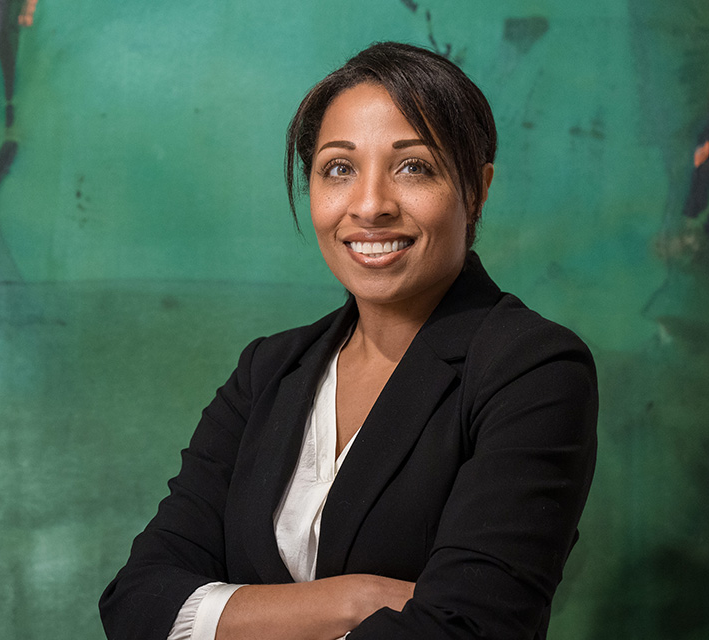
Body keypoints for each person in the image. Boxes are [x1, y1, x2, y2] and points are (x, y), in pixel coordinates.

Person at [99, 41, 598, 640]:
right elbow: (138, 603)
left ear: (477, 190)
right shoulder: (267, 372)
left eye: (414, 167)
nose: (370, 206)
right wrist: (352, 600)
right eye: (339, 168)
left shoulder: (532, 368)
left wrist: (233, 617)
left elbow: (467, 628)